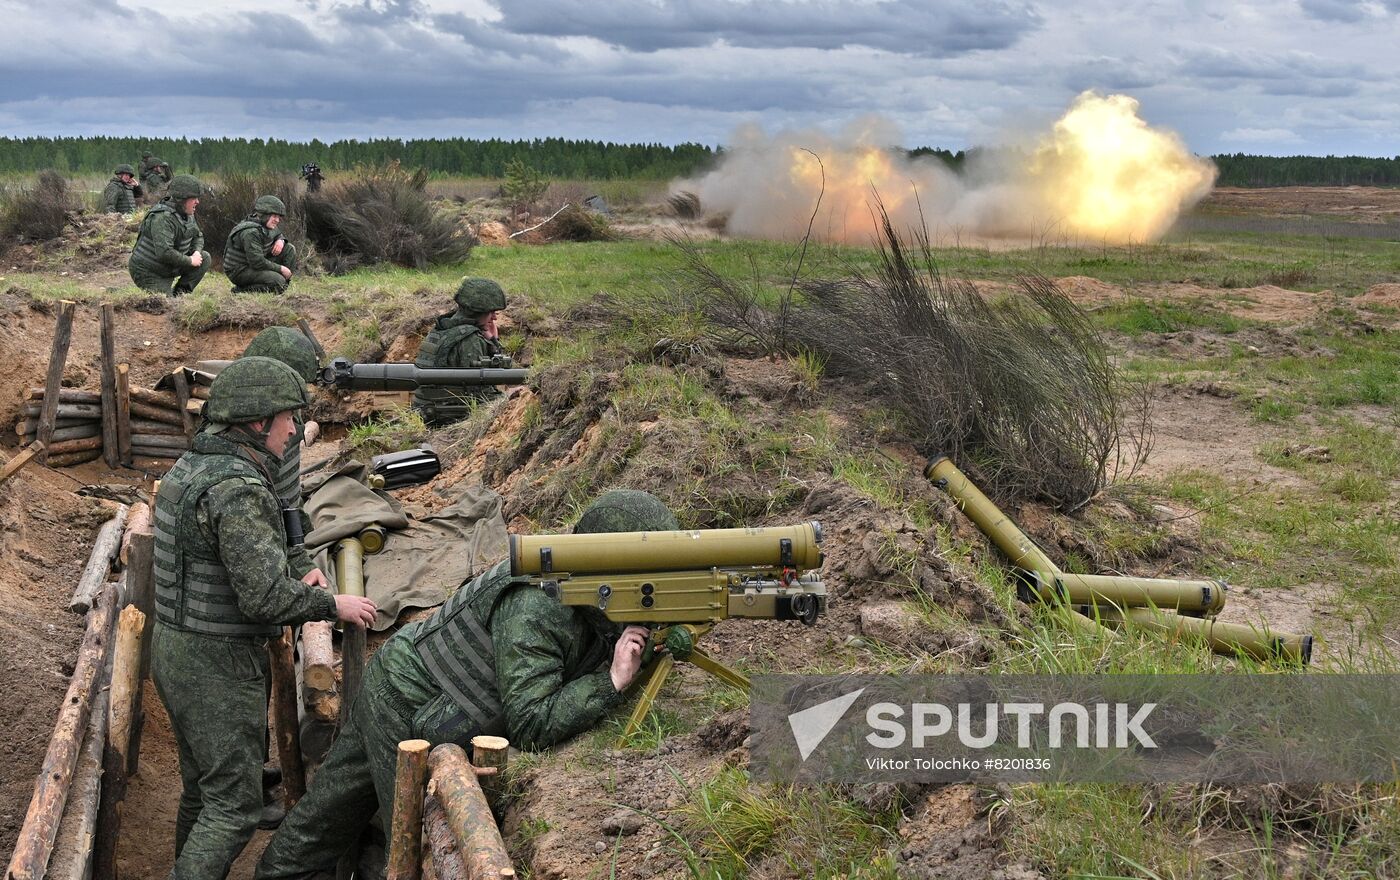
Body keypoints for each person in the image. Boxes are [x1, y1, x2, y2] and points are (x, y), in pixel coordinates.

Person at [255, 489, 676, 879]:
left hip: (413, 693)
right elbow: (532, 722)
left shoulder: (580, 590)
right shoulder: (535, 606)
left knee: (341, 809)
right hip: (405, 709)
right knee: (392, 838)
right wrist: (611, 682)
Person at [152, 356, 378, 880]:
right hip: (217, 666)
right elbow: (263, 600)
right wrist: (332, 605)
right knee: (234, 810)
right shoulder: (238, 489)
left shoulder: (197, 466)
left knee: (204, 793)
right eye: (289, 418)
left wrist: (295, 569)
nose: (296, 429)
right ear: (258, 423)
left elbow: (242, 558)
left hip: (175, 650)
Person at [411, 277, 508, 426]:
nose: (494, 317)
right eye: (491, 312)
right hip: (446, 416)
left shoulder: (441, 328)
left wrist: (492, 339)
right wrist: (509, 397)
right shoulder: (470, 339)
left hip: (425, 410)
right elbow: (480, 393)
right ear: (478, 312)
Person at [128, 174, 210, 295]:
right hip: (148, 271)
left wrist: (197, 252)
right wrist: (190, 260)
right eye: (194, 198)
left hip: (168, 267)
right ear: (181, 199)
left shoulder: (186, 214)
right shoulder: (162, 218)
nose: (197, 202)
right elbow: (164, 253)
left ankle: (181, 294)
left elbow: (198, 236)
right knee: (165, 305)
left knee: (205, 257)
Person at [225, 196, 298, 293]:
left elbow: (278, 233)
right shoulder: (251, 232)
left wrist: (281, 240)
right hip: (239, 271)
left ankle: (282, 288)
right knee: (278, 281)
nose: (277, 220)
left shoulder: (265, 224)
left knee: (289, 249)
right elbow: (257, 262)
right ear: (265, 214)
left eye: (279, 217)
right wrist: (281, 269)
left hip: (252, 265)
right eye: (274, 216)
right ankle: (240, 291)